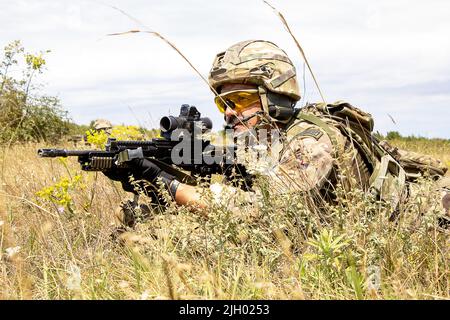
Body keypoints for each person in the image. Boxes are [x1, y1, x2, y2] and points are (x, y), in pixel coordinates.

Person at [104, 40, 449, 227]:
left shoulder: (311, 140)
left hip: (427, 217)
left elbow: (263, 212)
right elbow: (249, 176)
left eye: (239, 99)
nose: (227, 111)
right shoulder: (269, 138)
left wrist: (171, 185)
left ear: (276, 95)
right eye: (222, 101)